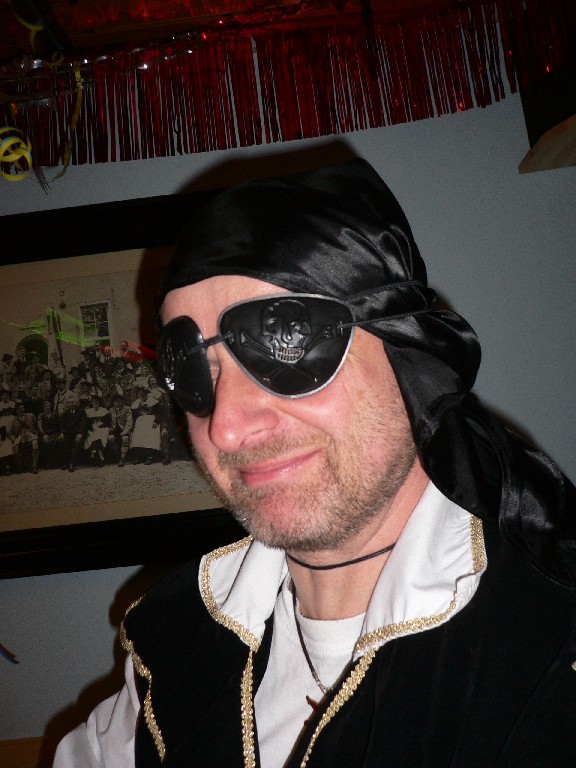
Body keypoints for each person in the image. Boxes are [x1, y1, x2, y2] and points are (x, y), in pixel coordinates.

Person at [53, 160, 576, 768]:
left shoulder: (547, 651)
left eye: (286, 341)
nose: (226, 424)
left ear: (407, 349)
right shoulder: (173, 645)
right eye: (192, 369)